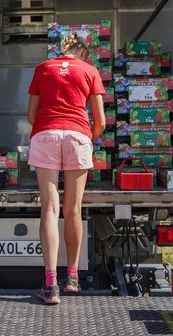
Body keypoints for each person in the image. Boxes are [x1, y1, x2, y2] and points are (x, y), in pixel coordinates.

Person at [27, 32, 106, 304]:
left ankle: (50, 286)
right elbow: (101, 121)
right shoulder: (89, 70)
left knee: (49, 208)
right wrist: (88, 137)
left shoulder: (43, 68)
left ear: (60, 50)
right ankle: (72, 278)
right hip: (77, 136)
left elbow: (30, 115)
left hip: (46, 134)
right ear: (82, 51)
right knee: (73, 209)